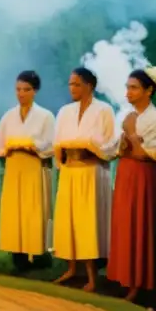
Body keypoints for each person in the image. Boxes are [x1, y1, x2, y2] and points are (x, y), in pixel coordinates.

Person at [52, 67, 117, 292]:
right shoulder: (64, 112)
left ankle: (92, 274)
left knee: (87, 221)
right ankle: (71, 268)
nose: (72, 88)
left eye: (77, 84)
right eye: (70, 84)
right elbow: (57, 141)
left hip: (91, 172)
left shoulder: (104, 111)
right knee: (68, 219)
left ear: (90, 86)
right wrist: (62, 156)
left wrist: (93, 150)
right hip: (70, 171)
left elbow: (111, 144)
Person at [108, 67, 156, 303]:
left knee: (141, 222)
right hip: (126, 171)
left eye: (134, 87)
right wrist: (129, 141)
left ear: (149, 90)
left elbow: (149, 154)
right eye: (127, 87)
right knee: (125, 222)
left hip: (144, 175)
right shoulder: (129, 115)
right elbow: (122, 149)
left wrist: (132, 134)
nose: (128, 92)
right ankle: (124, 276)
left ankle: (142, 281)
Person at [0, 70, 56, 271]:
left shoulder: (45, 116)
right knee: (15, 211)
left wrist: (31, 145)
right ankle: (18, 255)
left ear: (35, 91)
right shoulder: (8, 116)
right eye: (18, 90)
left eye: (26, 90)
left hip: (35, 167)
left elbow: (51, 145)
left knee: (35, 209)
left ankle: (40, 254)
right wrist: (9, 148)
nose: (21, 94)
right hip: (14, 167)